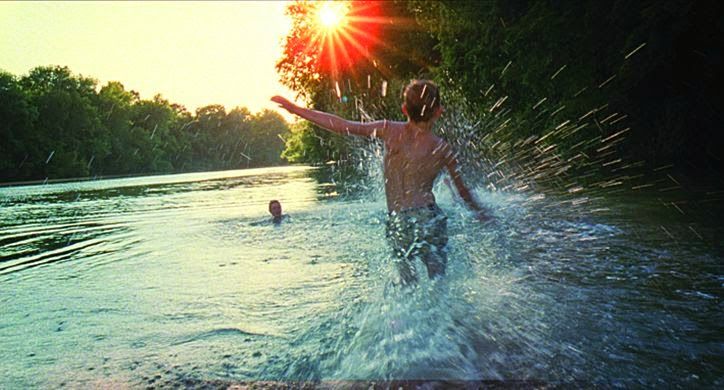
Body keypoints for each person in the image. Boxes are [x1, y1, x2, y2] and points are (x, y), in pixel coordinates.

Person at [272, 80, 490, 284]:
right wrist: (482, 213)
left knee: (408, 287)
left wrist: (295, 109)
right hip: (429, 218)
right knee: (439, 285)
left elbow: (341, 125)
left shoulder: (389, 130)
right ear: (438, 111)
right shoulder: (443, 148)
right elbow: (464, 193)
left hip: (398, 221)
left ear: (404, 109)